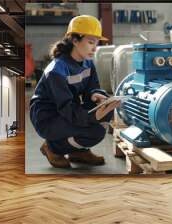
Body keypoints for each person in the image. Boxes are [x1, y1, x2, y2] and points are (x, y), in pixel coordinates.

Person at [30, 15, 120, 168]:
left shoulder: (88, 63)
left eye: (96, 43)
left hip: (67, 110)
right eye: (90, 42)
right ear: (75, 40)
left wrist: (95, 95)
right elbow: (66, 107)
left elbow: (93, 87)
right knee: (95, 131)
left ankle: (77, 152)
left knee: (107, 113)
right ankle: (52, 148)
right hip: (48, 117)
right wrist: (93, 115)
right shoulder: (56, 70)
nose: (94, 48)